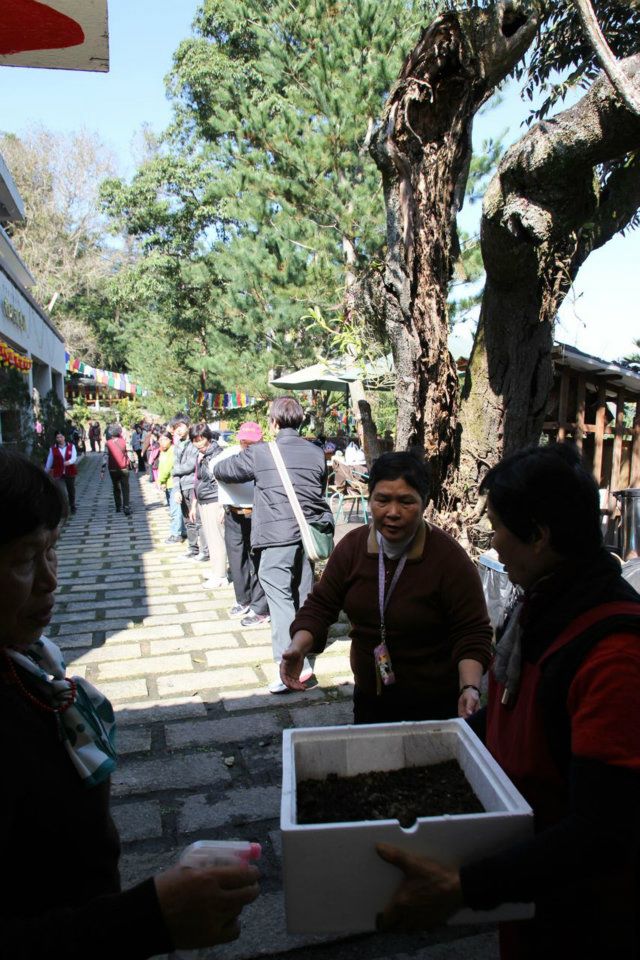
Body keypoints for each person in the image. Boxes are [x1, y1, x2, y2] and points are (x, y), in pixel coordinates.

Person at [376, 444, 640, 960]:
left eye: (497, 528)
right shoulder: (542, 604)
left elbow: (602, 832)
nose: (494, 545)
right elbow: (510, 714)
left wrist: (465, 886)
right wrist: (428, 748)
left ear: (539, 535)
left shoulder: (614, 655)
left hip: (584, 917)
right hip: (529, 894)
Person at [0, 448, 260, 959]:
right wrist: (149, 917)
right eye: (27, 559)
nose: (51, 579)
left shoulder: (27, 662)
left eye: (52, 550)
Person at [280, 451, 492, 720]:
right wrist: (298, 647)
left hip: (434, 702)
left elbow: (472, 631)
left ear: (424, 503)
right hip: (371, 695)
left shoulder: (448, 558)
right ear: (370, 500)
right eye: (382, 500)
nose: (393, 512)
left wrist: (470, 687)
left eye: (406, 501)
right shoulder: (352, 548)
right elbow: (321, 606)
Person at [213, 397, 333, 693]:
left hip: (276, 534)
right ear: (300, 421)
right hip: (308, 534)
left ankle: (291, 664)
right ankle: (308, 646)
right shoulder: (316, 452)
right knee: (303, 593)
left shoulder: (261, 452)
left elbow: (223, 470)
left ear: (274, 422)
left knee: (279, 599)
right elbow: (319, 488)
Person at [216, 421, 270, 627]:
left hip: (258, 513)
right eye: (243, 442)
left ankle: (259, 606)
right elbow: (214, 471)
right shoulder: (229, 454)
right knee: (236, 559)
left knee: (258, 560)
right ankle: (242, 599)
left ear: (260, 440)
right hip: (233, 512)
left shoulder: (266, 455)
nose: (247, 445)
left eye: (251, 442)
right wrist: (221, 504)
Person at [189, 423, 228, 590]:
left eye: (201, 439)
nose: (198, 443)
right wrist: (194, 504)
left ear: (208, 437)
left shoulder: (217, 454)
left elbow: (223, 482)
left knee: (217, 538)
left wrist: (223, 506)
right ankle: (216, 570)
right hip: (204, 500)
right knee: (211, 539)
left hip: (214, 500)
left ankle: (220, 576)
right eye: (195, 440)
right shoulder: (202, 455)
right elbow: (197, 480)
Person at [101, 424, 132, 516]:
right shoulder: (124, 442)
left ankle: (118, 506)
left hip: (112, 469)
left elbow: (105, 456)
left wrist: (102, 470)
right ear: (119, 432)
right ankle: (126, 507)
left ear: (110, 433)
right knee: (125, 488)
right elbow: (130, 453)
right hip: (124, 468)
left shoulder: (108, 443)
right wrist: (135, 464)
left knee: (115, 487)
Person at [45, 429, 78, 514]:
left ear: (64, 437)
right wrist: (45, 472)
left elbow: (74, 457)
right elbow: (49, 462)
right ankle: (64, 508)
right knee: (62, 491)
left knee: (71, 490)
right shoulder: (53, 449)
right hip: (58, 473)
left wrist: (69, 462)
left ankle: (72, 505)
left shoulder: (71, 446)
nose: (59, 439)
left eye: (61, 437)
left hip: (70, 471)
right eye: (57, 437)